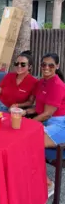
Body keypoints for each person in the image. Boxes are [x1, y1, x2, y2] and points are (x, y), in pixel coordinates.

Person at [23, 53, 65, 198]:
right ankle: (29, 177)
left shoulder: (58, 85)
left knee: (31, 143)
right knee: (22, 140)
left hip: (61, 124)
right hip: (48, 121)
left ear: (57, 66)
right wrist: (24, 112)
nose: (46, 68)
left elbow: (47, 113)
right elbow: (38, 108)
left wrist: (26, 123)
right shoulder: (42, 82)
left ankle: (48, 184)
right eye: (44, 65)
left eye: (51, 65)